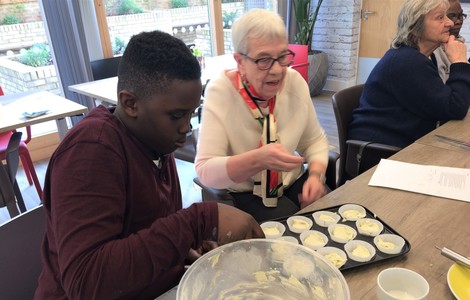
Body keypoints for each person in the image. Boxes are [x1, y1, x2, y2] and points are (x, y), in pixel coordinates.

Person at [34, 30, 264, 300]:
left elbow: (144, 232)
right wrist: (196, 221)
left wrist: (184, 246)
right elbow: (86, 282)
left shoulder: (154, 139)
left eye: (191, 113)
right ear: (130, 103)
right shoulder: (90, 152)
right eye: (177, 115)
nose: (187, 127)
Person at [195, 9, 330, 222]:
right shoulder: (220, 92)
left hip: (293, 181)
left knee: (331, 220)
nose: (277, 70)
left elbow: (314, 141)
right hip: (245, 193)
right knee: (292, 238)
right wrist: (257, 160)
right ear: (240, 61)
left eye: (283, 56)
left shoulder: (295, 82)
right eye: (264, 60)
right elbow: (206, 171)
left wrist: (315, 175)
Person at [348, 0, 470, 149]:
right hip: (379, 153)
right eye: (440, 18)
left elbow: (445, 103)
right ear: (416, 26)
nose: (450, 23)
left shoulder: (419, 57)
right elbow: (455, 108)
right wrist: (459, 62)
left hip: (406, 142)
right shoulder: (408, 61)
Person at [434, 0, 468, 82]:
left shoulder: (458, 44)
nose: (458, 22)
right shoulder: (431, 51)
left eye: (461, 16)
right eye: (452, 16)